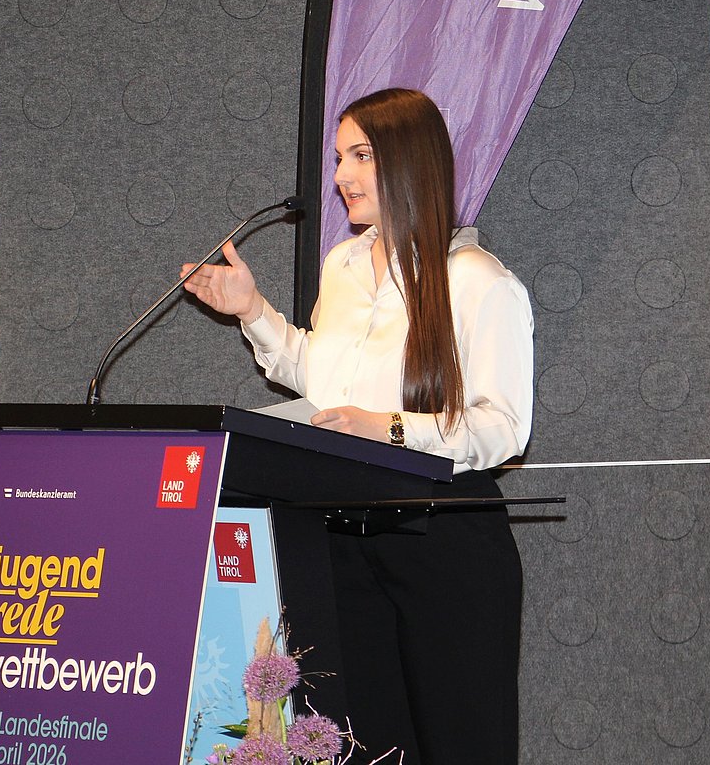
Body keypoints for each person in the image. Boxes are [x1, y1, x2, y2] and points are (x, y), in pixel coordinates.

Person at [182, 87, 533, 765]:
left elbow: (503, 429)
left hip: (444, 542)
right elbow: (326, 387)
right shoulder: (342, 267)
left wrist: (390, 430)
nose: (341, 175)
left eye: (361, 156)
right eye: (339, 157)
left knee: (461, 744)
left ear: (410, 160)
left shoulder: (477, 280)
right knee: (370, 744)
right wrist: (253, 313)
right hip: (339, 542)